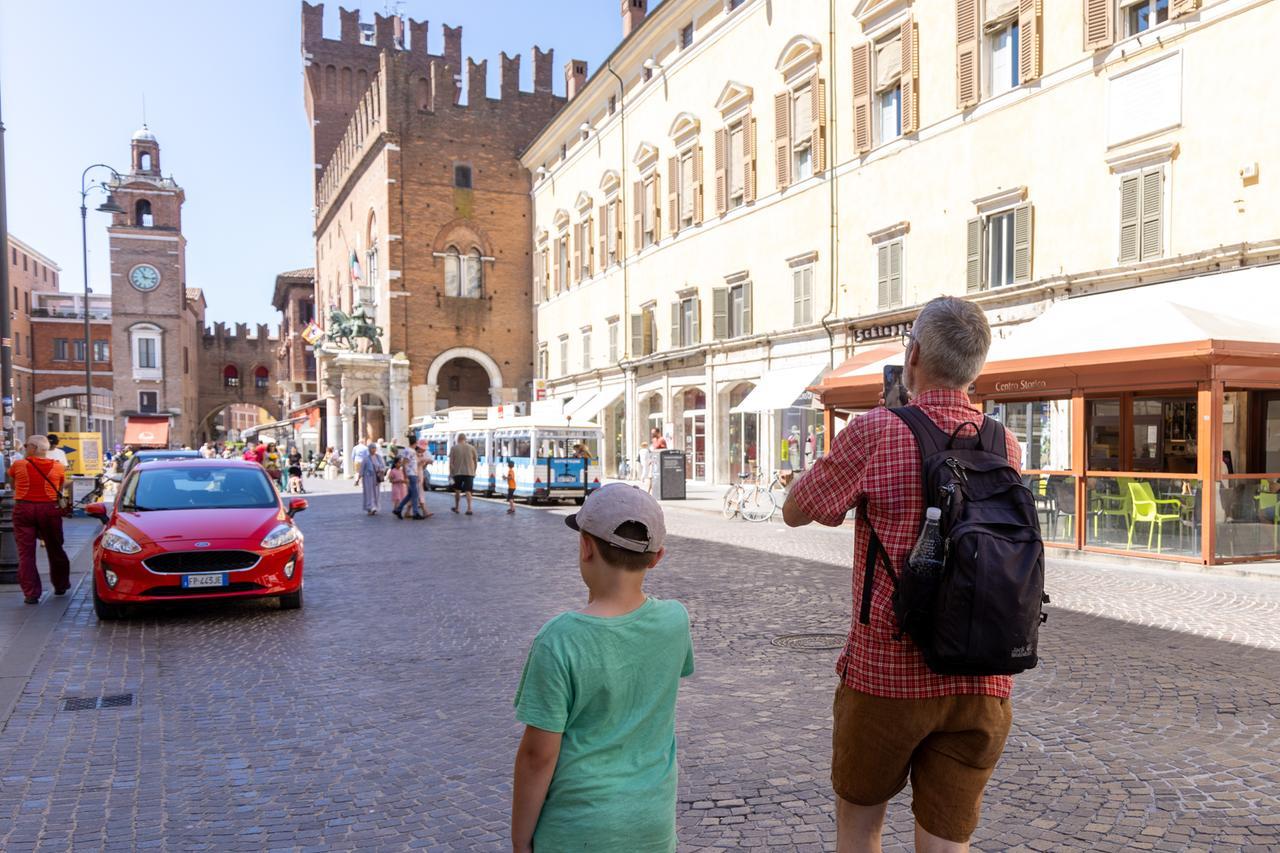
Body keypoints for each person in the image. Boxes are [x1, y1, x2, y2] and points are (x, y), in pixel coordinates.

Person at [782, 297, 1023, 853]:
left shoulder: (876, 431)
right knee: (947, 844)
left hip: (887, 674)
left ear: (912, 356)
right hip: (982, 678)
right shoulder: (1003, 442)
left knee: (862, 828)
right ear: (977, 366)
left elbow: (797, 509)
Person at [511, 483, 693, 853]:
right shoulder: (676, 621)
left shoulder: (559, 639)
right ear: (656, 557)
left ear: (585, 546)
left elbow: (538, 756)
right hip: (651, 822)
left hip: (577, 827)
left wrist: (520, 839)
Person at [8, 435, 72, 605]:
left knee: (26, 553)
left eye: (26, 445)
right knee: (55, 547)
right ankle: (61, 584)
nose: (24, 447)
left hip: (24, 508)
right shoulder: (57, 467)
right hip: (49, 509)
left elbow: (14, 485)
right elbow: (60, 487)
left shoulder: (19, 465)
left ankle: (31, 593)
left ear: (34, 448)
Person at [393, 442, 425, 520]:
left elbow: (407, 463)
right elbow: (405, 463)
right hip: (412, 474)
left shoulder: (407, 450)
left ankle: (398, 509)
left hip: (411, 474)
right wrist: (406, 476)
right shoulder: (411, 451)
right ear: (414, 443)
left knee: (410, 494)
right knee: (415, 494)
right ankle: (415, 513)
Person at [449, 433, 479, 515]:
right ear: (465, 439)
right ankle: (469, 508)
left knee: (458, 490)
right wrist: (474, 471)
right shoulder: (472, 448)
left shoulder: (454, 448)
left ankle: (457, 508)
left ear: (458, 439)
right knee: (468, 491)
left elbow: (451, 462)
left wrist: (451, 473)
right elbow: (475, 461)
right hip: (469, 473)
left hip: (457, 472)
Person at [356, 440, 385, 515]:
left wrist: (381, 470)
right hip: (368, 479)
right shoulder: (366, 459)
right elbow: (361, 469)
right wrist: (358, 478)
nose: (373, 449)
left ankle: (375, 507)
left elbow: (382, 466)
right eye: (372, 448)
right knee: (369, 493)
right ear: (369, 449)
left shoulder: (379, 457)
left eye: (374, 448)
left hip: (376, 478)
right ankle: (369, 507)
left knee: (376, 492)